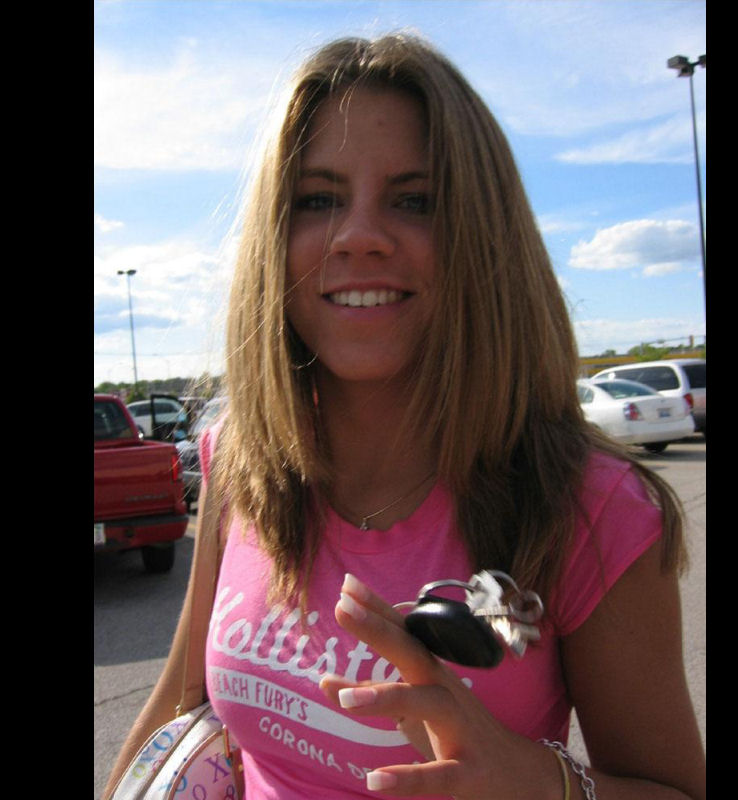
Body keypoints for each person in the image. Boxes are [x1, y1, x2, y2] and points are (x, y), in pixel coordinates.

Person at [104, 33, 706, 800]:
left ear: (484, 238)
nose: (358, 235)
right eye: (318, 199)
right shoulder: (242, 458)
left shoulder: (593, 508)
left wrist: (534, 780)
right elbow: (178, 701)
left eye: (415, 200)